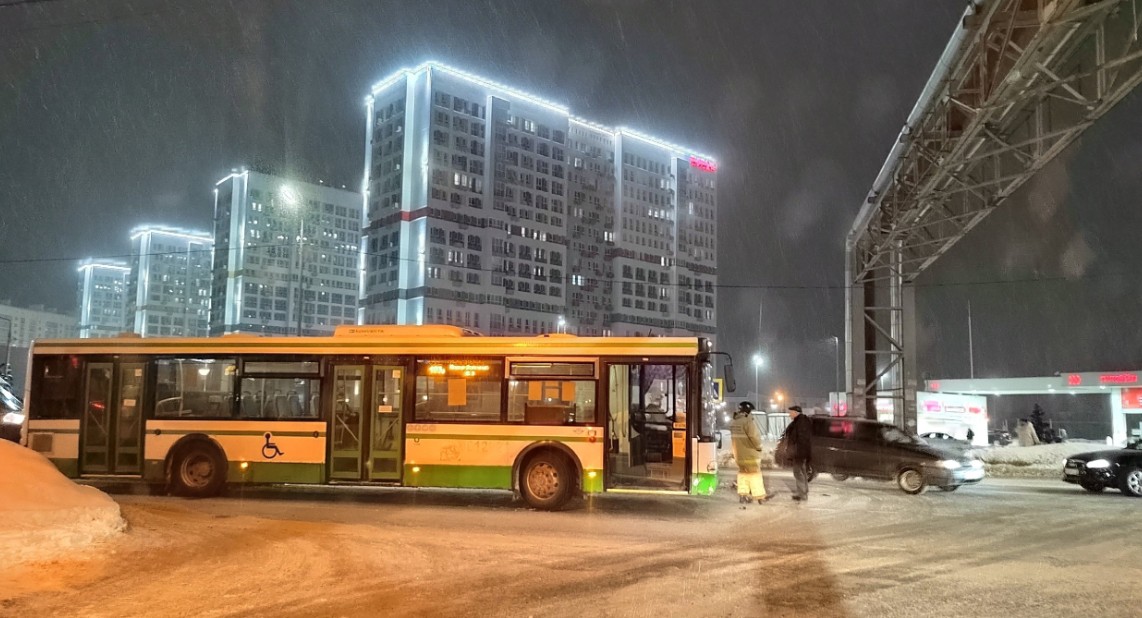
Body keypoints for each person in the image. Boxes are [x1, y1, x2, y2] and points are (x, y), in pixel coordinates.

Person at [730, 402, 770, 506]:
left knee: (743, 474)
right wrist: (759, 447)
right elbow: (754, 437)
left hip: (739, 456)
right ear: (747, 411)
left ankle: (743, 495)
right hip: (750, 454)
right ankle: (760, 497)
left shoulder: (734, 422)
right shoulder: (747, 422)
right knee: (755, 475)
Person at [784, 405, 813, 501]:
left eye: (791, 412)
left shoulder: (800, 423)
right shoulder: (801, 422)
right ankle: (804, 491)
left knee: (798, 472)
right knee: (802, 471)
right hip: (802, 452)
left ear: (796, 413)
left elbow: (799, 440)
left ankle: (802, 494)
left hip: (799, 452)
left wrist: (794, 451)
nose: (789, 414)